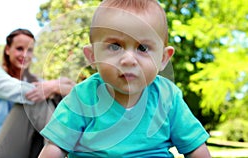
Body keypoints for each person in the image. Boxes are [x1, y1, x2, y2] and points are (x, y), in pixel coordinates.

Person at [38, 0, 212, 157]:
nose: (129, 60)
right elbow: (55, 148)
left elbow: (195, 148)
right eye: (115, 46)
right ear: (92, 56)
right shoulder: (82, 98)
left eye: (142, 48)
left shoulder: (167, 97)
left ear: (163, 59)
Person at [0, 28, 75, 158]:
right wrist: (54, 86)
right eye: (20, 49)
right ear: (7, 50)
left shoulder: (34, 81)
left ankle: (62, 147)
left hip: (27, 149)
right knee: (34, 99)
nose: (25, 54)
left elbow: (75, 89)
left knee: (54, 96)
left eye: (29, 50)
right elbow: (30, 93)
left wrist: (55, 87)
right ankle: (63, 145)